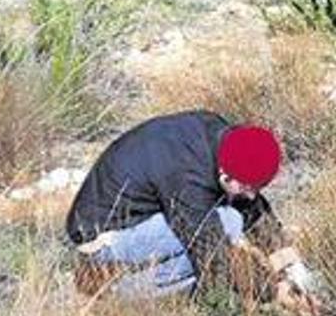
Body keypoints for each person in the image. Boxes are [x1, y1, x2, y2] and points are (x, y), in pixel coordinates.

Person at [66, 110, 318, 311]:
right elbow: (212, 255)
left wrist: (291, 265)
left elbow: (251, 207)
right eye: (249, 187)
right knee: (224, 228)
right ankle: (120, 293)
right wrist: (273, 291)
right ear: (225, 175)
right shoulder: (188, 178)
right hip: (100, 238)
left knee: (231, 217)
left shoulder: (221, 139)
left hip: (138, 219)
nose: (253, 194)